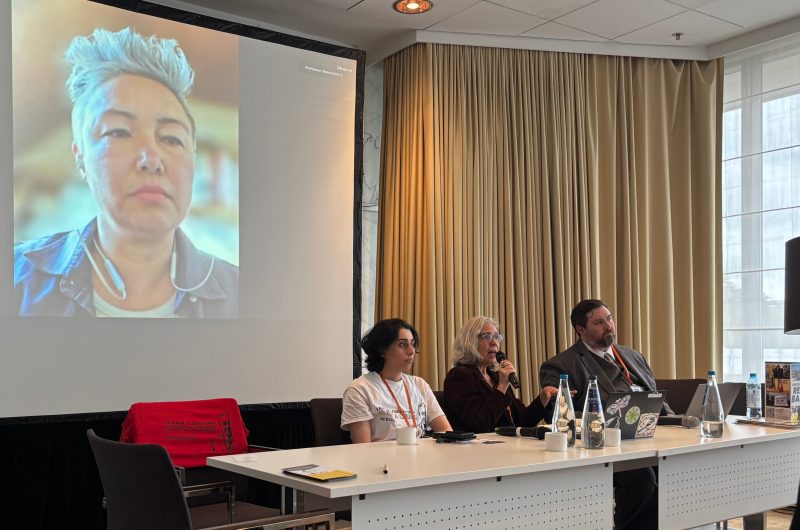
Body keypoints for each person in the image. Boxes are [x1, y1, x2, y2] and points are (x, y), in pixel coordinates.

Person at [14, 27, 238, 318]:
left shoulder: (243, 296)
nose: (151, 159)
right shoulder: (16, 277)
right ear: (80, 158)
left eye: (171, 138)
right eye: (118, 131)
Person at [540, 299, 666, 530]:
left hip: (648, 435)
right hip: (605, 445)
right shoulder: (561, 365)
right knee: (642, 479)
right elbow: (556, 417)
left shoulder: (634, 356)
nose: (609, 326)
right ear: (580, 330)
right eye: (599, 322)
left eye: (609, 318)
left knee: (676, 467)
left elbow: (656, 400)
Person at [341, 318, 452, 443]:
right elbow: (363, 448)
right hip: (383, 461)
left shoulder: (419, 384)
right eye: (402, 344)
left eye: (412, 344)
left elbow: (446, 432)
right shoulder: (360, 389)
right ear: (382, 349)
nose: (411, 351)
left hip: (421, 458)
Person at [442, 316, 559, 433]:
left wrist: (544, 397)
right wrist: (502, 387)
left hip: (506, 446)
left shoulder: (496, 377)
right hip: (476, 449)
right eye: (487, 336)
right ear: (470, 342)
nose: (494, 343)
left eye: (497, 337)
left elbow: (523, 422)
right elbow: (478, 425)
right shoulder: (459, 376)